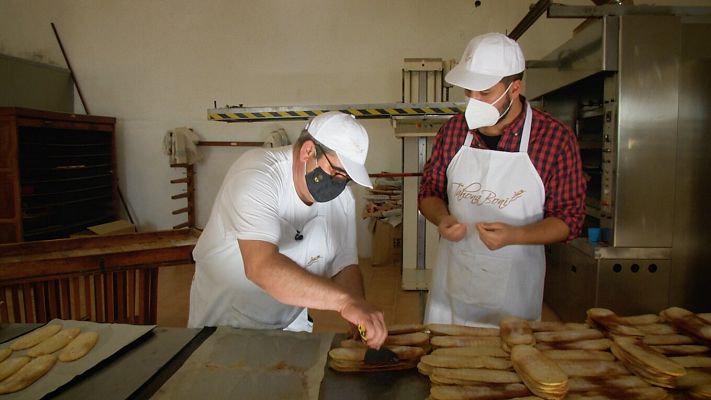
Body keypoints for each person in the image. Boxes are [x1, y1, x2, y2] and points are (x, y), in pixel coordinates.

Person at [419, 32, 586, 327]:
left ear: (514, 88)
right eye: (469, 92)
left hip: (514, 294)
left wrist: (516, 236)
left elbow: (569, 220)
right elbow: (429, 193)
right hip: (452, 287)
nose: (473, 101)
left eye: (484, 93)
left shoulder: (554, 138)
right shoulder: (454, 132)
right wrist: (441, 217)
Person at [188, 111, 387, 348]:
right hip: (225, 326)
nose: (340, 184)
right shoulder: (257, 176)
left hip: (290, 324)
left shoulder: (342, 200)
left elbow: (344, 264)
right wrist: (344, 303)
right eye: (335, 172)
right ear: (308, 151)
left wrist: (358, 315)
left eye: (347, 178)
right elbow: (261, 266)